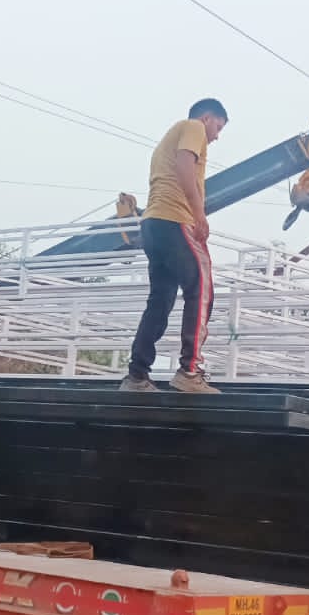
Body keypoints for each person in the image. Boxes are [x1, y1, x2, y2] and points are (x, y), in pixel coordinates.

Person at [122, 98, 229, 395]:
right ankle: (189, 372)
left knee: (160, 300)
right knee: (201, 289)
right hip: (174, 220)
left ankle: (137, 376)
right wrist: (199, 215)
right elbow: (185, 166)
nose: (216, 136)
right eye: (218, 127)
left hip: (153, 224)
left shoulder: (168, 139)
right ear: (207, 118)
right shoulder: (193, 127)